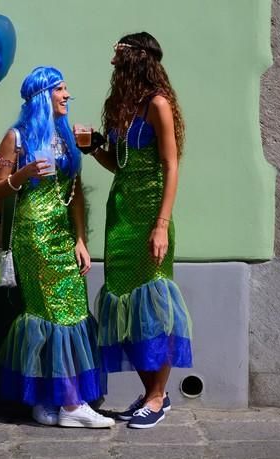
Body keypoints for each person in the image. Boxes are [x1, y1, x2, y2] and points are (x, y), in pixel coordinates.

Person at [0, 66, 114, 428]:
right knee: (58, 311)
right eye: (60, 89)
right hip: (33, 236)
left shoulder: (65, 137)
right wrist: (22, 175)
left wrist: (81, 239)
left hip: (62, 235)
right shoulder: (16, 137)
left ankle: (46, 401)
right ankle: (72, 404)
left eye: (66, 89)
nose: (67, 95)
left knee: (60, 313)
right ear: (42, 96)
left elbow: (75, 196)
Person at [83, 31, 193, 429]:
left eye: (119, 53)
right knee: (127, 307)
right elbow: (120, 164)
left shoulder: (158, 104)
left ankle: (159, 395)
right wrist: (95, 146)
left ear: (136, 59)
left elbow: (171, 166)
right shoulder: (123, 106)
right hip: (121, 216)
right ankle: (150, 394)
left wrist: (161, 224)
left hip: (149, 216)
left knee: (154, 308)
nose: (112, 59)